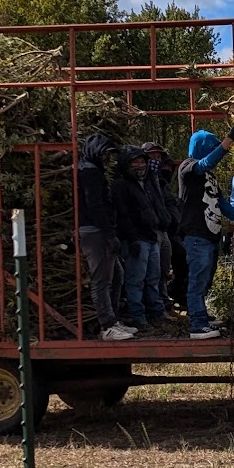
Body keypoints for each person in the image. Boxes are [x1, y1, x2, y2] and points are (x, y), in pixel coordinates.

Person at [177, 121, 234, 339]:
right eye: (211, 146)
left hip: (211, 236)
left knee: (206, 278)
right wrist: (228, 141)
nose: (215, 149)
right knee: (197, 279)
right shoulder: (188, 167)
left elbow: (222, 202)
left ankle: (202, 316)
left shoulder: (209, 177)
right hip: (196, 236)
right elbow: (205, 163)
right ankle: (196, 324)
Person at [76, 133, 132, 340]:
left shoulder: (92, 170)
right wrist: (109, 233)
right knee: (102, 279)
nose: (108, 158)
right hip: (94, 231)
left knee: (117, 275)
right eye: (106, 154)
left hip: (100, 230)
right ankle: (106, 325)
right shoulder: (89, 172)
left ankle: (113, 319)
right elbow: (95, 205)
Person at [112, 145, 169, 330]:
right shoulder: (121, 185)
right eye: (135, 161)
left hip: (151, 236)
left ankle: (157, 315)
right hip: (136, 238)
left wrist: (163, 222)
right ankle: (138, 317)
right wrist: (131, 238)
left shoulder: (148, 182)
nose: (140, 165)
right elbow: (122, 214)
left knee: (154, 277)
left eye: (142, 161)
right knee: (135, 280)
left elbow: (157, 206)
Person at [142, 142, 180, 312]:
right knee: (152, 272)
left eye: (159, 156)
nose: (156, 159)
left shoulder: (160, 180)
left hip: (164, 229)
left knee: (164, 269)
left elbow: (168, 203)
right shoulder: (141, 180)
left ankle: (164, 303)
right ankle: (154, 309)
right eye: (152, 156)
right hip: (150, 231)